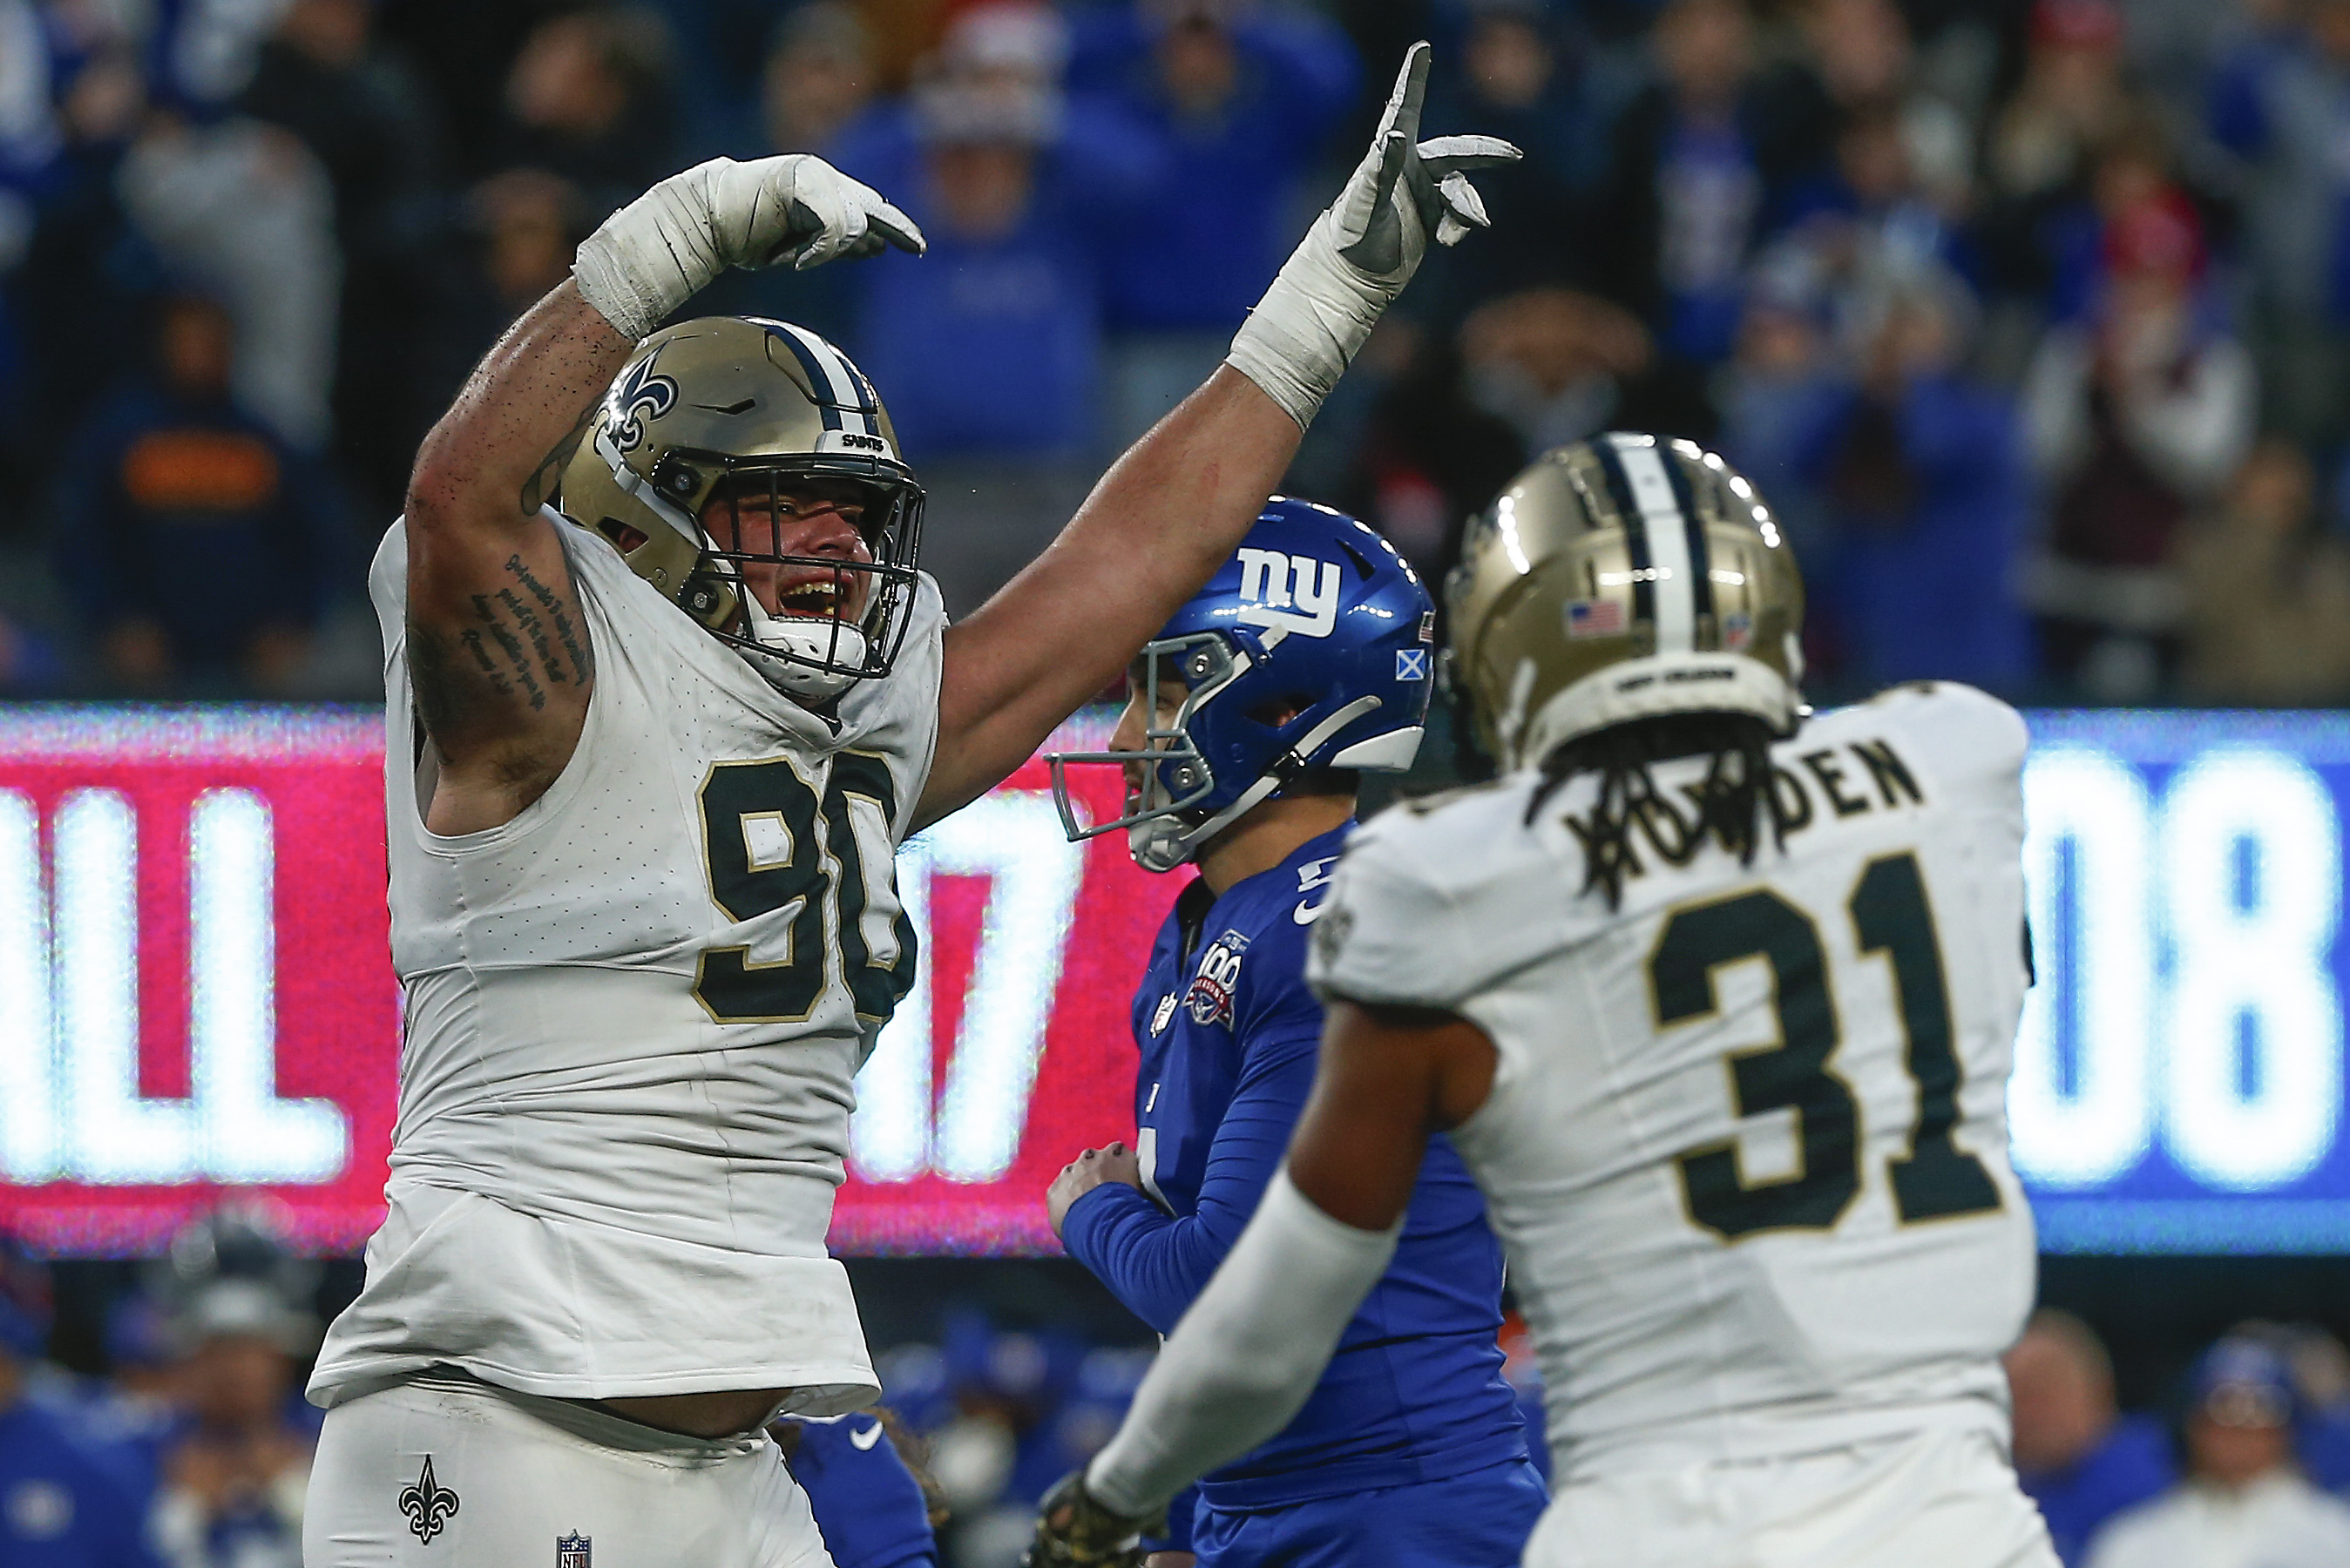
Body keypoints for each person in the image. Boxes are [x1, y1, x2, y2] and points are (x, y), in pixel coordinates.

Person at [299, 46, 1515, 1568]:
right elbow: (460, 497)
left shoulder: (860, 733)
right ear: (648, 509)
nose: (834, 544)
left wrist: (1323, 303)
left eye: (857, 511)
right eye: (784, 504)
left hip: (741, 1462)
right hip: (494, 1434)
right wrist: (666, 242)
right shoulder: (545, 698)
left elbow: (1125, 562)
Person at [1027, 432, 2058, 1568]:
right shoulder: (1957, 753)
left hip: (1664, 1519)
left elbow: (1262, 1323)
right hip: (1955, 1520)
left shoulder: (1453, 883)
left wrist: (1114, 1498)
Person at [1041, 497, 1545, 1568]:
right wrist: (1193, 1519)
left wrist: (1088, 1213)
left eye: (1163, 694)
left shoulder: (1345, 931)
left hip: (1397, 1510)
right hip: (1280, 1505)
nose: (1127, 738)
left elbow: (1223, 1284)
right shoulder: (1217, 927)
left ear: (1280, 704)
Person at [2085, 1335, 2350, 1568]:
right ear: (2192, 1427)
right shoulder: (2131, 1539)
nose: (2237, 1433)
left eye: (2257, 1417)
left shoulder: (2336, 1534)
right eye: (2220, 1415)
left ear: (2287, 1431)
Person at [2004, 1310, 2175, 1565]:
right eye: (2016, 1396)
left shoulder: (2161, 1464)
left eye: (2044, 1391)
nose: (2030, 1412)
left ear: (2100, 1389)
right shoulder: (2001, 1481)